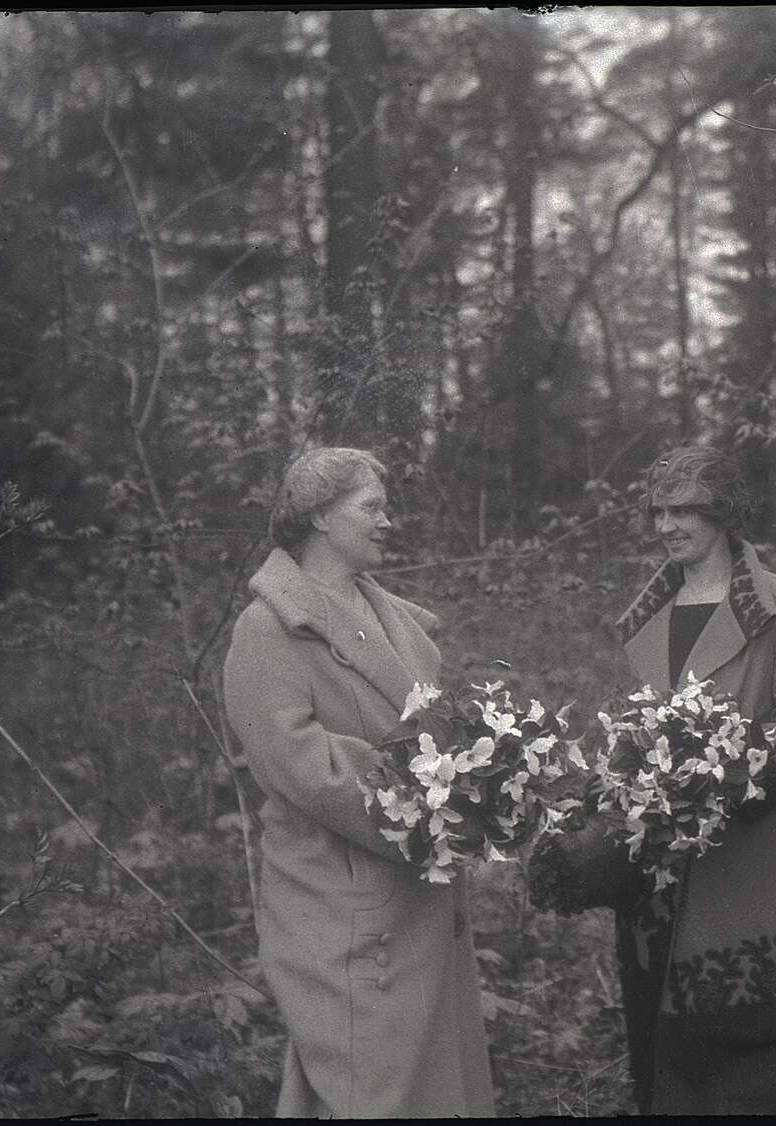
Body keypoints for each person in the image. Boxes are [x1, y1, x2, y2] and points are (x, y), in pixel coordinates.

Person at [222, 447, 494, 1118]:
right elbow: (301, 766)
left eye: (385, 507)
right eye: (369, 507)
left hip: (416, 900)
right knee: (368, 1090)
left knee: (420, 1088)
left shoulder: (393, 618)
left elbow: (432, 732)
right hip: (343, 907)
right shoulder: (267, 629)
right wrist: (437, 801)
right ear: (318, 516)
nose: (386, 521)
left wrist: (484, 772)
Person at [608, 446, 776, 1115]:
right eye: (658, 510)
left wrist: (736, 774)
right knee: (663, 1047)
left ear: (721, 514)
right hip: (660, 866)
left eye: (682, 510)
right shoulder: (648, 611)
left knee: (747, 1057)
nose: (665, 525)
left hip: (747, 851)